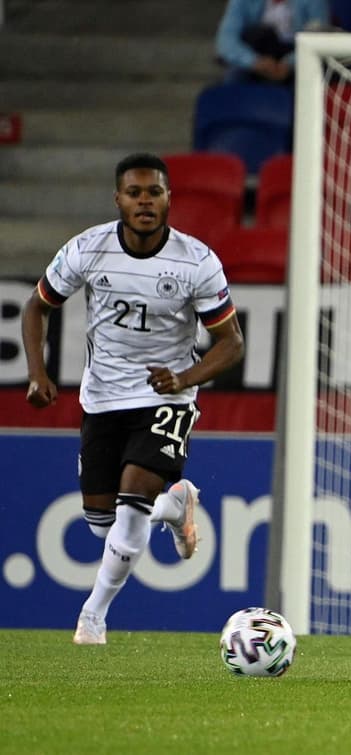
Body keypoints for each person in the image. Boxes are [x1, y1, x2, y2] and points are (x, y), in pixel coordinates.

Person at [21, 153, 246, 645]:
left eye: (155, 192)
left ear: (169, 198)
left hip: (169, 397)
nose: (145, 201)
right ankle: (175, 506)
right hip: (102, 398)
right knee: (104, 525)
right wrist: (37, 374)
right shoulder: (87, 249)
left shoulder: (196, 261)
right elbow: (37, 307)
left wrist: (185, 376)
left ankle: (92, 618)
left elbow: (232, 343)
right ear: (118, 198)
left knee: (131, 503)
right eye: (135, 192)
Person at [215, 0, 331, 83]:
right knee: (236, 71)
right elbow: (225, 41)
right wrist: (254, 62)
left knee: (312, 73)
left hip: (297, 56)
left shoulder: (315, 2)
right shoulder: (241, 2)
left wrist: (289, 64)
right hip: (258, 55)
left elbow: (319, 40)